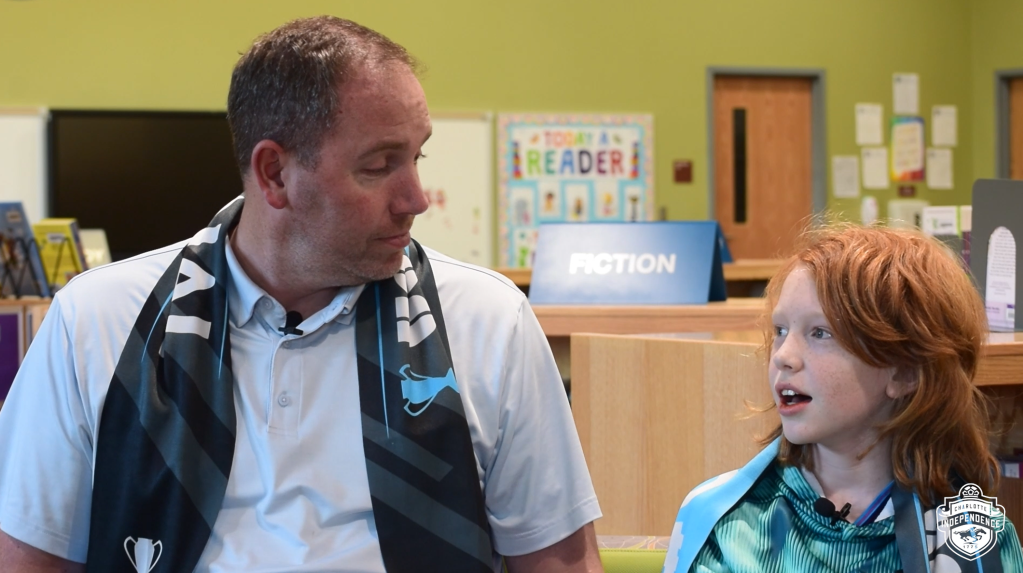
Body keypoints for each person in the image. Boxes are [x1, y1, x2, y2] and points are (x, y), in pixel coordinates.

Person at [0, 16, 602, 573]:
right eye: (379, 166)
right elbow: (28, 558)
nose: (416, 198)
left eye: (416, 157)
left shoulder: (487, 321)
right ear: (275, 174)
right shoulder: (96, 321)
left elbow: (559, 561)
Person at [662, 225, 1023, 573]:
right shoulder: (723, 522)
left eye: (820, 333)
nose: (783, 355)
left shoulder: (973, 542)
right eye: (780, 330)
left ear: (904, 373)